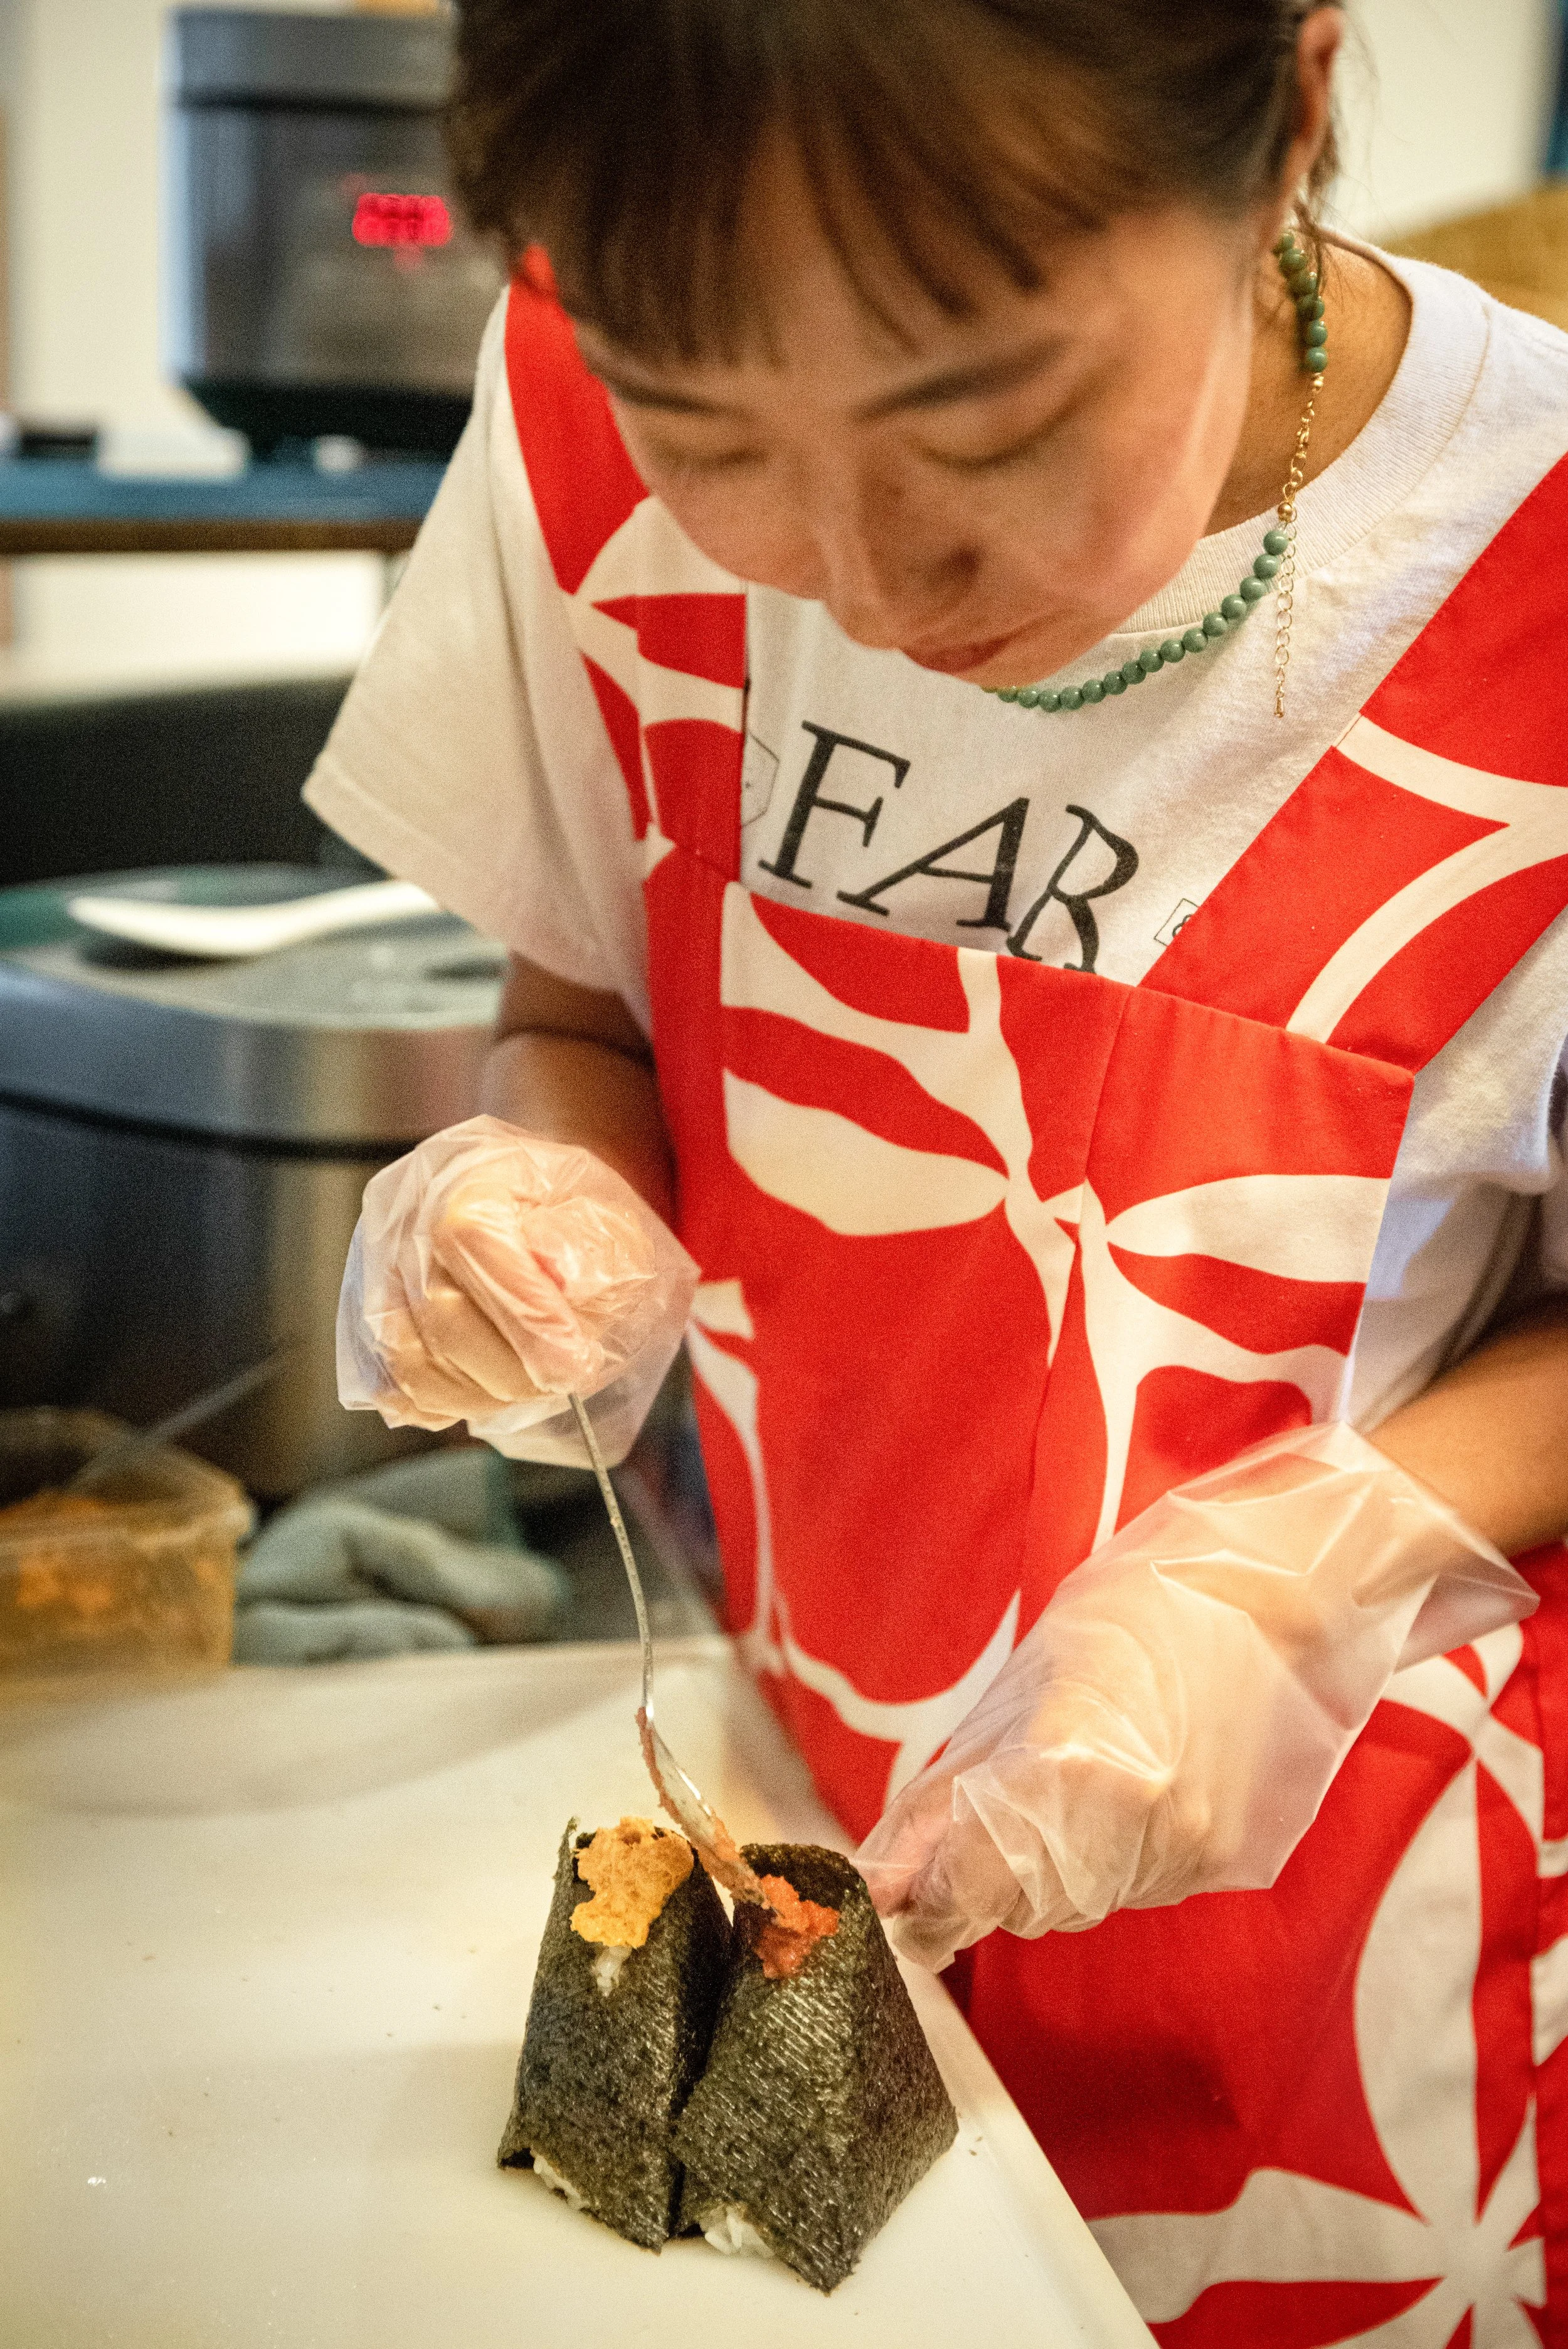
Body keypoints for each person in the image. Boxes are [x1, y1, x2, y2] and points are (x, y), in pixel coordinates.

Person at [307, 1, 1568, 2330]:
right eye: (717, 449)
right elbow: (577, 1014)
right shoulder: (592, 373)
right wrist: (535, 1179)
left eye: (983, 414)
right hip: (827, 1839)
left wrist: (1299, 1568)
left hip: (1389, 1974)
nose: (866, 585)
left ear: (1287, 112)